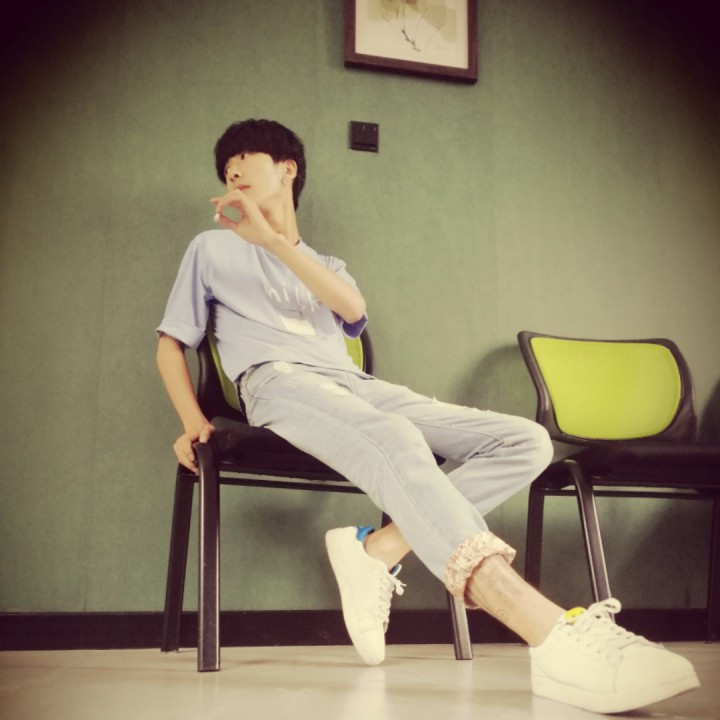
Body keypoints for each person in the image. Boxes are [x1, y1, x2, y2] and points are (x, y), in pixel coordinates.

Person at [156, 118, 700, 714]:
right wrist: (192, 421)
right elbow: (170, 344)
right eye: (225, 168)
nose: (232, 171)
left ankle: (378, 550)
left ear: (288, 169)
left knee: (526, 441)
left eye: (245, 159)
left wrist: (274, 243)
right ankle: (550, 634)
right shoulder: (210, 249)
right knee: (396, 437)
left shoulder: (326, 263)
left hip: (356, 387)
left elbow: (351, 308)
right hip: (277, 383)